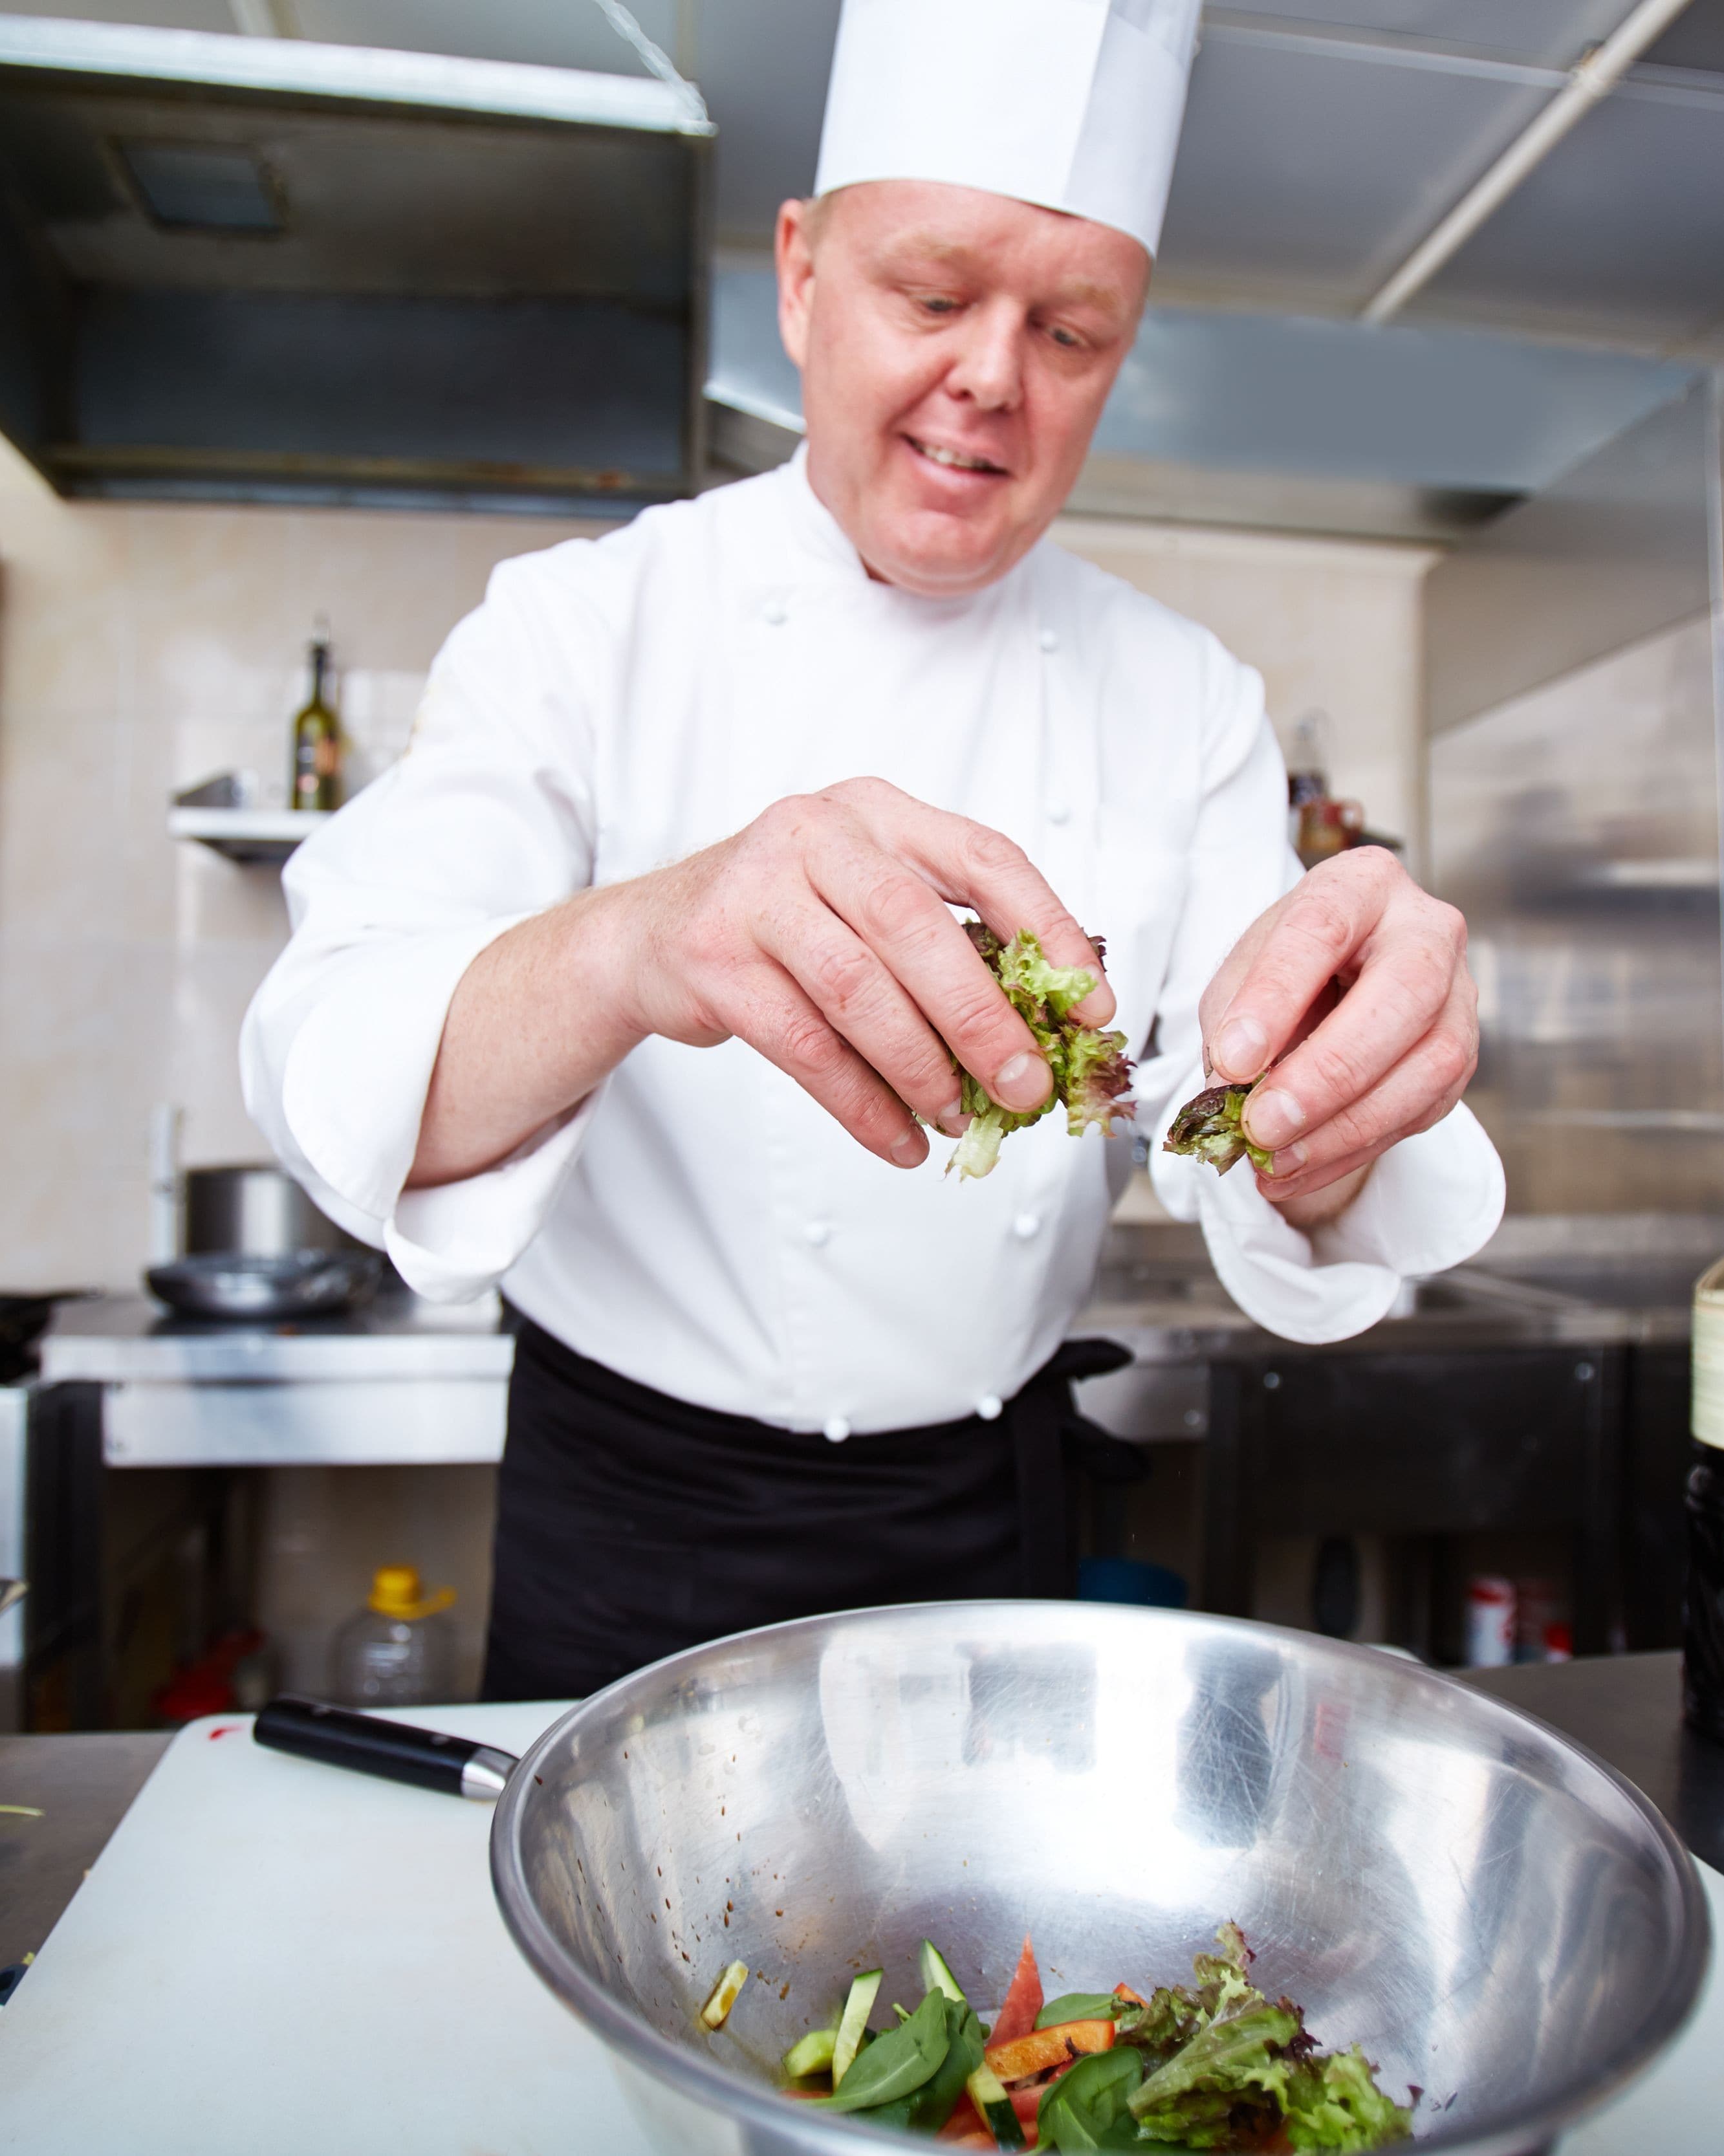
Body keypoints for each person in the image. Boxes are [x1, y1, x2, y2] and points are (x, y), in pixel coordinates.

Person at [243, 0, 1502, 1699]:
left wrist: (1339, 1100)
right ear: (800, 274)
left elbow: (1251, 1130)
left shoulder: (1186, 697)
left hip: (993, 1512)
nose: (993, 374)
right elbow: (336, 1064)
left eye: (1073, 331)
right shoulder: (584, 627)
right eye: (932, 294)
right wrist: (640, 944)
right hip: (637, 1517)